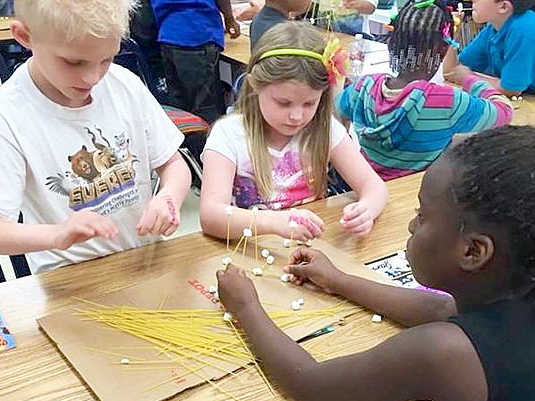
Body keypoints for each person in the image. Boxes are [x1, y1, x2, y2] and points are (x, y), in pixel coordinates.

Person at [216, 125, 535, 401]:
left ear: (473, 251)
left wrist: (246, 307)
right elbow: (439, 310)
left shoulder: (444, 354)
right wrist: (340, 281)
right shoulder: (513, 296)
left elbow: (311, 384)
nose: (412, 226)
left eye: (422, 215)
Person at [0, 0, 191, 274]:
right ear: (25, 37)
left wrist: (169, 196)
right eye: (74, 62)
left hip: (144, 260)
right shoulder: (6, 116)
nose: (93, 77)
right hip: (69, 276)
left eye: (107, 59)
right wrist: (56, 235)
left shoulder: (124, 85)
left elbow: (174, 164)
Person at [200, 22, 388, 243]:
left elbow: (373, 186)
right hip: (252, 250)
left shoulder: (324, 128)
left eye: (309, 103)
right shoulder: (228, 135)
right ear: (254, 86)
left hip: (311, 249)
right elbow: (211, 215)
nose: (297, 116)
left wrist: (367, 209)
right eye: (283, 103)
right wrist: (275, 222)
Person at [336, 0, 513, 181]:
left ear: (391, 43)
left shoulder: (363, 87)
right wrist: (468, 79)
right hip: (417, 194)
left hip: (365, 187)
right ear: (443, 51)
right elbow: (505, 112)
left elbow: (335, 114)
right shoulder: (448, 102)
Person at [150, 0, 241, 124]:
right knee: (204, 106)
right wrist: (229, 19)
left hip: (169, 33)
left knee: (178, 103)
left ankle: (187, 141)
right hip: (196, 32)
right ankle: (204, 142)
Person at [443, 0, 535, 95]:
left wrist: (466, 76)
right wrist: (453, 33)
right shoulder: (492, 28)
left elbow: (511, 89)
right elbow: (451, 71)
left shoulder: (524, 30)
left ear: (503, 7)